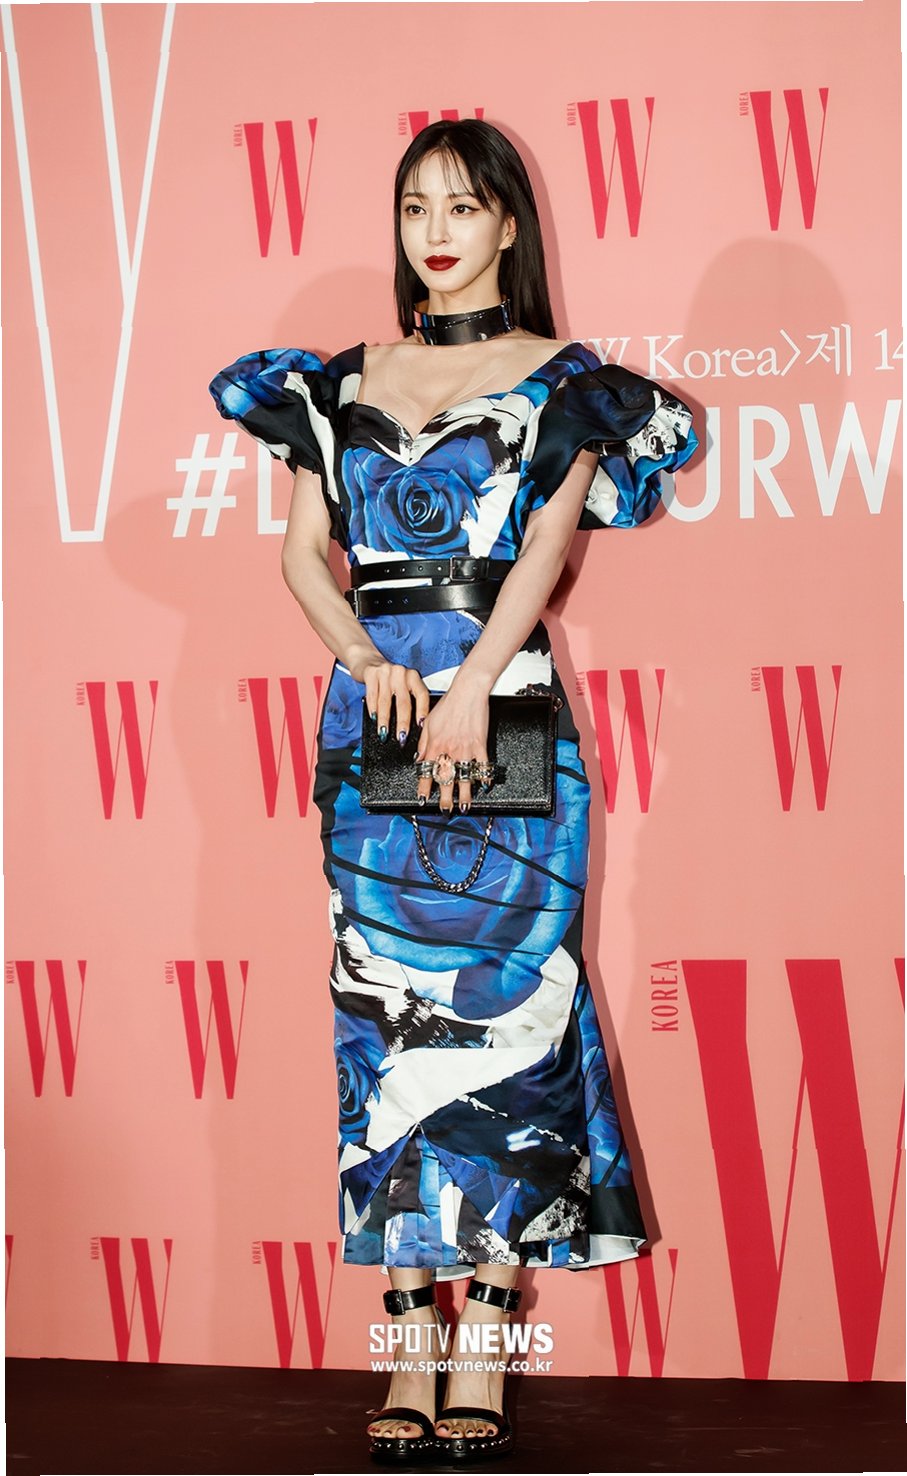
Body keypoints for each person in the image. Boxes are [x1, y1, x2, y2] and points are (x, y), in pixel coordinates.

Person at [210, 118, 697, 1465]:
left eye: (464, 206)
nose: (437, 229)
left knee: (509, 1005)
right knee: (382, 1010)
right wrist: (368, 659)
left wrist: (477, 679)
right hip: (373, 710)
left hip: (505, 697)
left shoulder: (566, 381)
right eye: (416, 204)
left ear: (508, 225)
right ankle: (406, 1345)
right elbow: (303, 555)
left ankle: (484, 1338)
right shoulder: (334, 383)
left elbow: (544, 548)